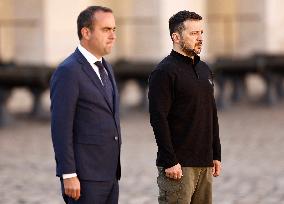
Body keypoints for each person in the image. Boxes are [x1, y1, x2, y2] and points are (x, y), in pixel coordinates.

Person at [148, 10, 221, 204]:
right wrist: (170, 160)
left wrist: (216, 153)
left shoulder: (204, 69)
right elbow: (158, 119)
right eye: (194, 33)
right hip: (178, 167)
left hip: (204, 163)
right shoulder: (163, 72)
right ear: (176, 37)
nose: (200, 38)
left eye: (201, 33)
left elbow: (211, 112)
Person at [50, 6, 121, 204]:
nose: (113, 36)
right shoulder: (68, 71)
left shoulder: (107, 68)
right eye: (106, 29)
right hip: (84, 179)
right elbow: (60, 128)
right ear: (86, 32)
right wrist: (68, 174)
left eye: (114, 29)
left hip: (110, 175)